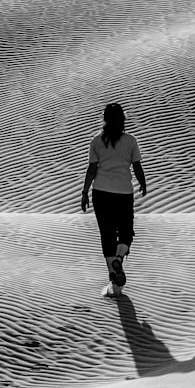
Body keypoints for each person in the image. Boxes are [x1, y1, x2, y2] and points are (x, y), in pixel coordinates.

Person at [80, 103, 147, 295]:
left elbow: (92, 169)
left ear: (105, 119)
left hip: (101, 194)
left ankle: (115, 286)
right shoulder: (130, 141)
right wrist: (143, 184)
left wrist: (85, 192)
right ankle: (119, 258)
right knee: (125, 232)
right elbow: (137, 167)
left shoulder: (96, 141)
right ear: (123, 119)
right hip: (123, 194)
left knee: (107, 235)